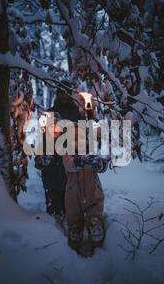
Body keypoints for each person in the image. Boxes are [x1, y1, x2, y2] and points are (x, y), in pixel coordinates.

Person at [34, 81, 83, 220]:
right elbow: (43, 137)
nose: (63, 95)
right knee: (53, 209)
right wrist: (39, 156)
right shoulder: (49, 113)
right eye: (60, 92)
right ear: (57, 93)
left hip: (70, 163)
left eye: (65, 92)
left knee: (71, 207)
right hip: (52, 166)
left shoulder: (77, 114)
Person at [63, 127, 109, 254]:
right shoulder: (68, 153)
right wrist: (80, 160)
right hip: (73, 194)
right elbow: (69, 164)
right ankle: (73, 250)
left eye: (81, 138)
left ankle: (98, 249)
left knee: (95, 222)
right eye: (75, 138)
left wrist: (99, 164)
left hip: (93, 192)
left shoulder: (93, 152)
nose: (78, 141)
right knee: (74, 223)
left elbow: (103, 165)